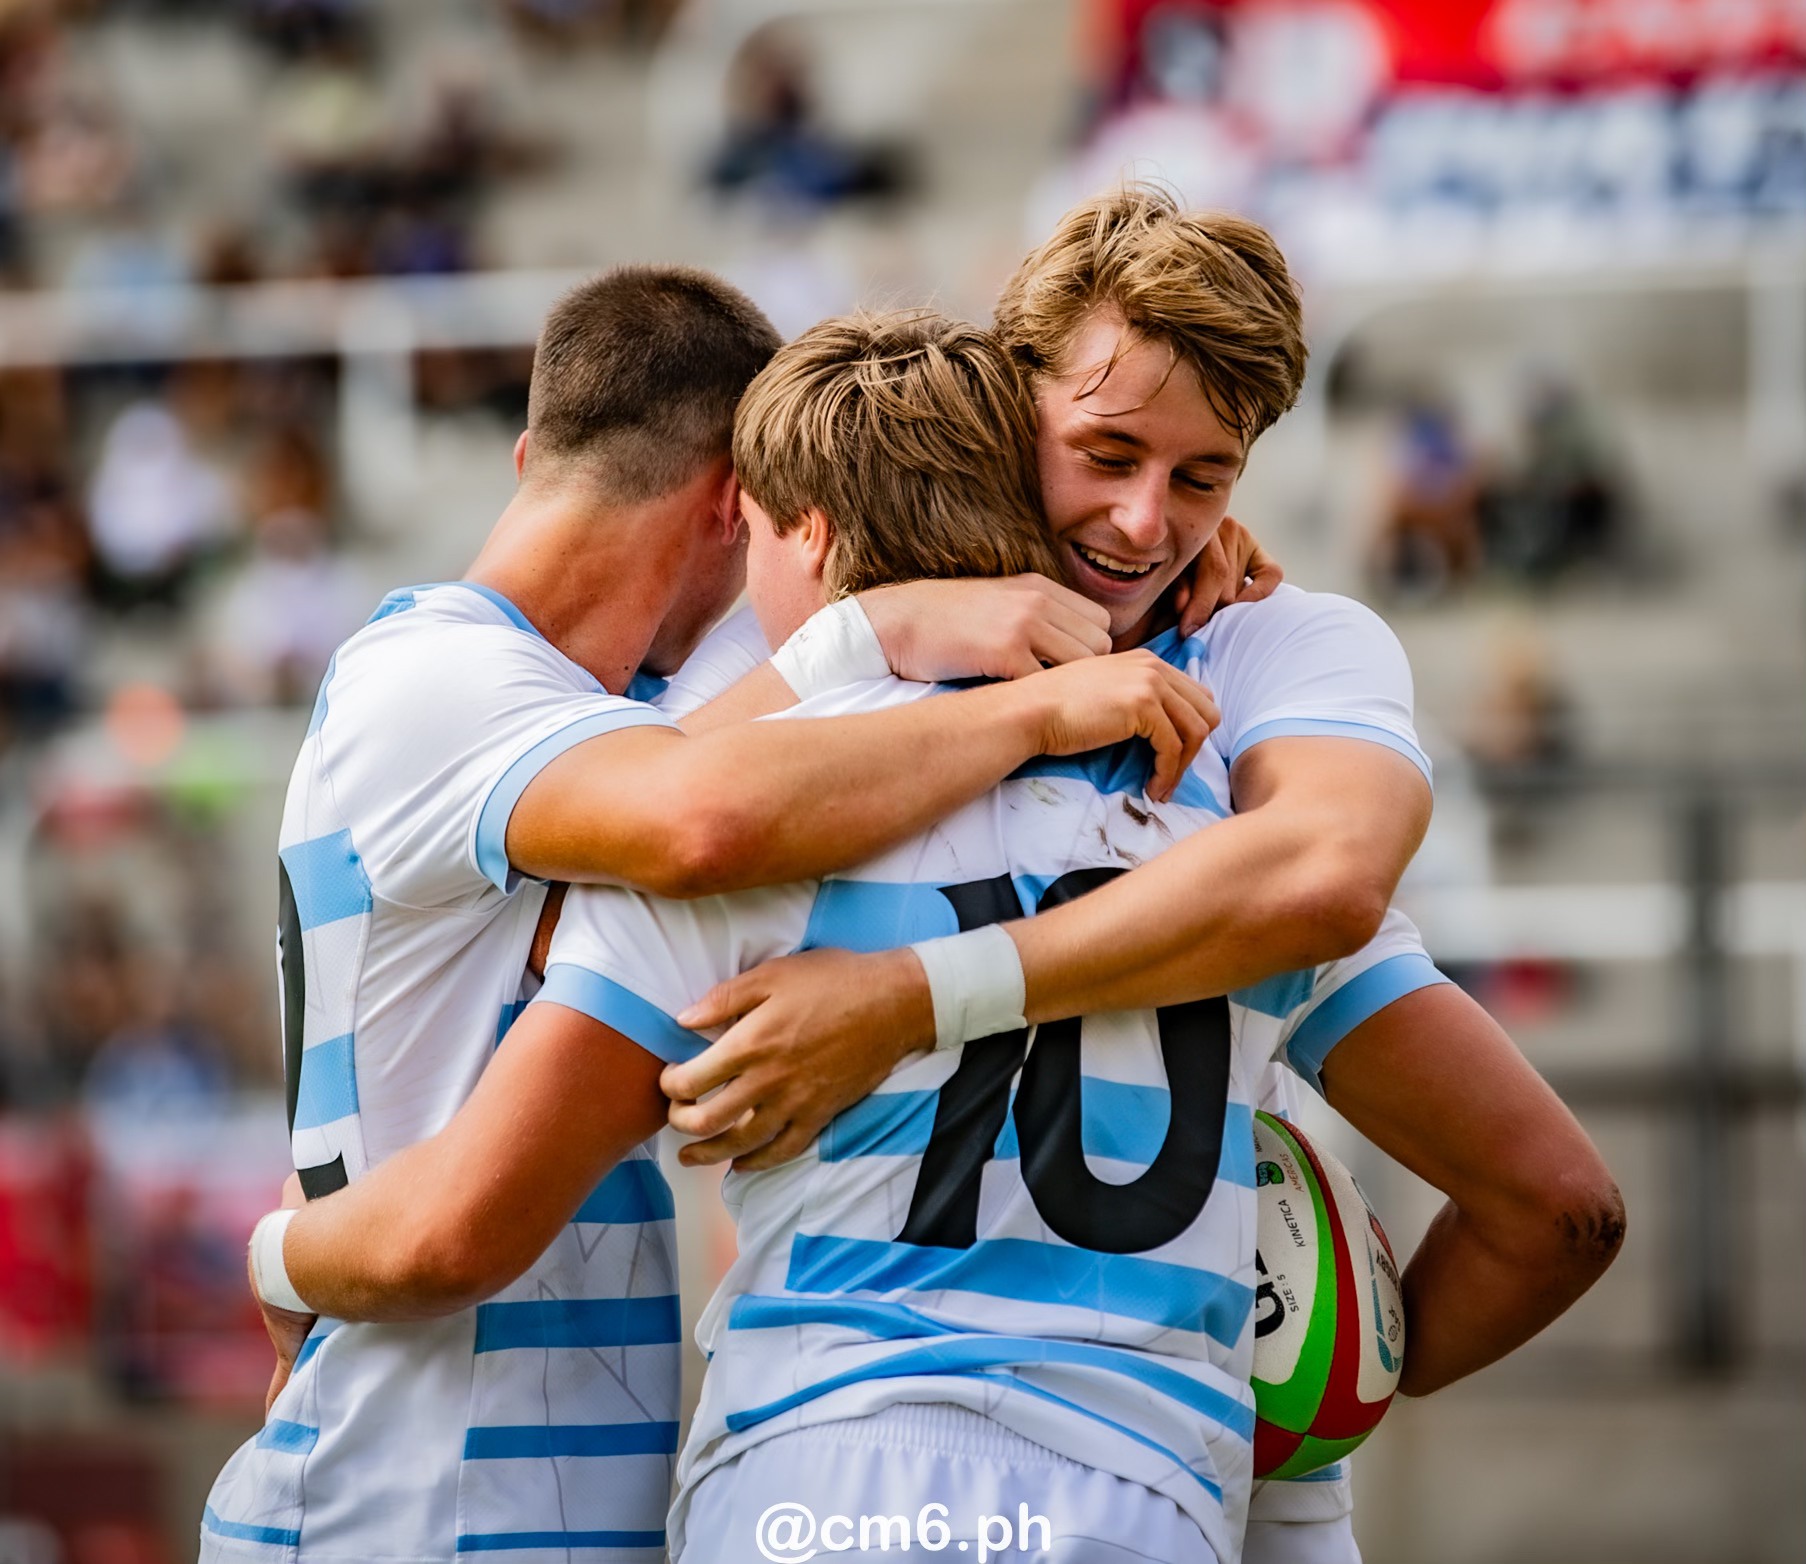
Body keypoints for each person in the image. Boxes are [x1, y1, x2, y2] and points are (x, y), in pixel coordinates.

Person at [248, 306, 1618, 1563]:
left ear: (798, 527)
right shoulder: (1227, 834)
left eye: (1197, 484)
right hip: (1136, 1487)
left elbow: (475, 1192)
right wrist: (1330, 1375)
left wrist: (274, 1260)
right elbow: (1556, 1207)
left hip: (769, 1479)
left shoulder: (758, 821)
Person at [195, 264, 1220, 1561]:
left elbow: (734, 752)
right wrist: (278, 1255)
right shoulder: (434, 675)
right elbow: (700, 820)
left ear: (527, 454)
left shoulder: (586, 727)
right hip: (399, 1497)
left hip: (513, 1495)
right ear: (738, 505)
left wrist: (1171, 574)